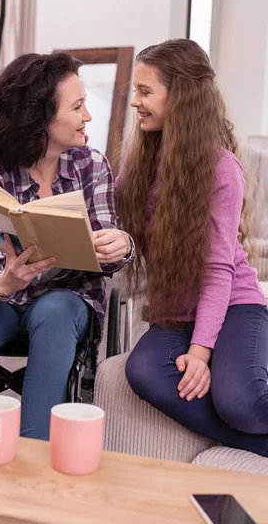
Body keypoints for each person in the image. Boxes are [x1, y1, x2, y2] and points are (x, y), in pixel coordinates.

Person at [0, 51, 133, 441]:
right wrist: (4, 284)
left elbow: (111, 252)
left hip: (66, 296)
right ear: (40, 117)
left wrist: (120, 245)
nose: (87, 117)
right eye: (77, 107)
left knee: (56, 312)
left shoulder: (92, 166)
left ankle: (35, 458)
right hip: (2, 299)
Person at [116, 38, 268, 456]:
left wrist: (201, 353)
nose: (135, 102)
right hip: (176, 314)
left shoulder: (222, 170)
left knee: (241, 402)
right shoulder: (139, 162)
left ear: (179, 96)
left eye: (146, 92)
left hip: (233, 303)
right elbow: (109, 213)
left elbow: (219, 271)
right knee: (144, 371)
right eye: (136, 91)